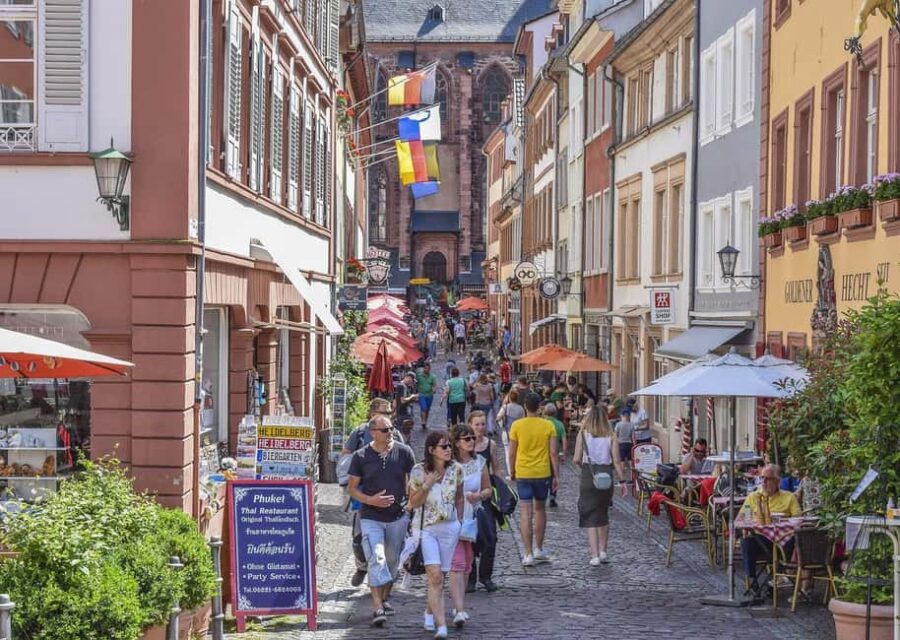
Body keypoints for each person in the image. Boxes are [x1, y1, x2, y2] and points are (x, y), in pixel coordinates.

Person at [346, 415, 416, 627]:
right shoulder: (361, 456)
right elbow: (351, 488)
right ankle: (377, 607)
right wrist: (371, 500)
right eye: (385, 430)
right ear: (373, 432)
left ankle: (384, 598)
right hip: (370, 517)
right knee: (377, 558)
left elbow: (413, 481)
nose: (390, 433)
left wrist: (410, 504)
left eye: (391, 429)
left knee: (392, 562)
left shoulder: (404, 453)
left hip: (397, 517)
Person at [407, 431, 465, 639]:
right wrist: (427, 484)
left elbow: (459, 497)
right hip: (426, 529)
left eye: (450, 445)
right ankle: (442, 626)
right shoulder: (418, 471)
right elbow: (413, 503)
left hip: (449, 529)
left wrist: (459, 522)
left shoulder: (457, 470)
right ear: (432, 450)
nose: (449, 449)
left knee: (440, 577)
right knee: (435, 575)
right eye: (444, 446)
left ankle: (429, 611)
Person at [338, 397, 395, 587]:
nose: (389, 416)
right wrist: (362, 457)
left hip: (388, 492)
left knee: (388, 539)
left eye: (389, 413)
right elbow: (345, 454)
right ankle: (361, 567)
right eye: (385, 412)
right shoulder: (360, 432)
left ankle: (382, 580)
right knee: (358, 536)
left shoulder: (394, 435)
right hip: (362, 492)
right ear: (373, 414)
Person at [508, 392, 559, 566]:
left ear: (524, 407)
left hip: (524, 472)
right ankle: (538, 548)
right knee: (539, 511)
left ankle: (527, 553)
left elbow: (512, 451)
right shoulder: (548, 426)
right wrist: (556, 475)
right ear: (539, 407)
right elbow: (553, 453)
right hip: (542, 473)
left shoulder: (516, 426)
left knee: (525, 513)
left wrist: (512, 470)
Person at [448, 422, 491, 627]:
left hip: (471, 518)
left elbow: (488, 489)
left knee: (466, 563)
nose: (472, 441)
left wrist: (478, 495)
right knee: (457, 564)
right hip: (451, 517)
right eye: (467, 438)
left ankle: (459, 603)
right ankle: (458, 609)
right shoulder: (448, 463)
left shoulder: (480, 462)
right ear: (456, 442)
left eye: (473, 438)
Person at [573, 406, 628, 565]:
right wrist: (622, 481)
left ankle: (595, 555)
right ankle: (604, 551)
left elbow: (576, 458)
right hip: (606, 477)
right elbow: (617, 461)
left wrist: (585, 466)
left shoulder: (582, 434)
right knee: (603, 513)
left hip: (588, 476)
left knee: (590, 515)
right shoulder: (611, 435)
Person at [737, 464, 802, 597]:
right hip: (761, 539)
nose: (764, 482)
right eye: (762, 478)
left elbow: (799, 520)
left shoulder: (789, 497)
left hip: (782, 542)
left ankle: (774, 579)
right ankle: (752, 579)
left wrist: (784, 520)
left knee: (791, 540)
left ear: (777, 481)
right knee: (746, 542)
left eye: (768, 479)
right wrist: (749, 521)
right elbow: (740, 519)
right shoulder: (754, 496)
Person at [469, 410, 501, 593]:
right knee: (469, 536)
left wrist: (501, 492)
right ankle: (471, 577)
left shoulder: (491, 445)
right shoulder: (464, 445)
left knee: (490, 536)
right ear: (470, 425)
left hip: (486, 494)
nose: (481, 427)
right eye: (477, 424)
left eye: (483, 424)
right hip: (467, 497)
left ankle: (486, 576)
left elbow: (496, 469)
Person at [542, 403, 567, 508]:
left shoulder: (542, 423)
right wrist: (564, 452)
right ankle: (552, 497)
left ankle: (542, 495)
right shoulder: (559, 424)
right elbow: (564, 440)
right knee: (554, 475)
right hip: (555, 453)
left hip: (542, 453)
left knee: (543, 475)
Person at [614, 412, 635, 484]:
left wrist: (615, 444)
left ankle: (621, 479)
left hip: (621, 444)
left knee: (622, 462)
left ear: (622, 416)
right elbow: (633, 437)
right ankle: (633, 478)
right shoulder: (631, 424)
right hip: (629, 444)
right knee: (630, 461)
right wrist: (634, 445)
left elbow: (615, 435)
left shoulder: (618, 424)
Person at [416, 362, 438, 431]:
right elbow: (415, 382)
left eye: (428, 369)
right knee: (424, 408)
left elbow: (434, 385)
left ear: (430, 369)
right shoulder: (419, 376)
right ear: (423, 368)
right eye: (425, 368)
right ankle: (423, 422)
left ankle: (425, 422)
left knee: (427, 410)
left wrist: (434, 389)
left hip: (429, 395)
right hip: (422, 394)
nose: (426, 370)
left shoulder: (432, 377)